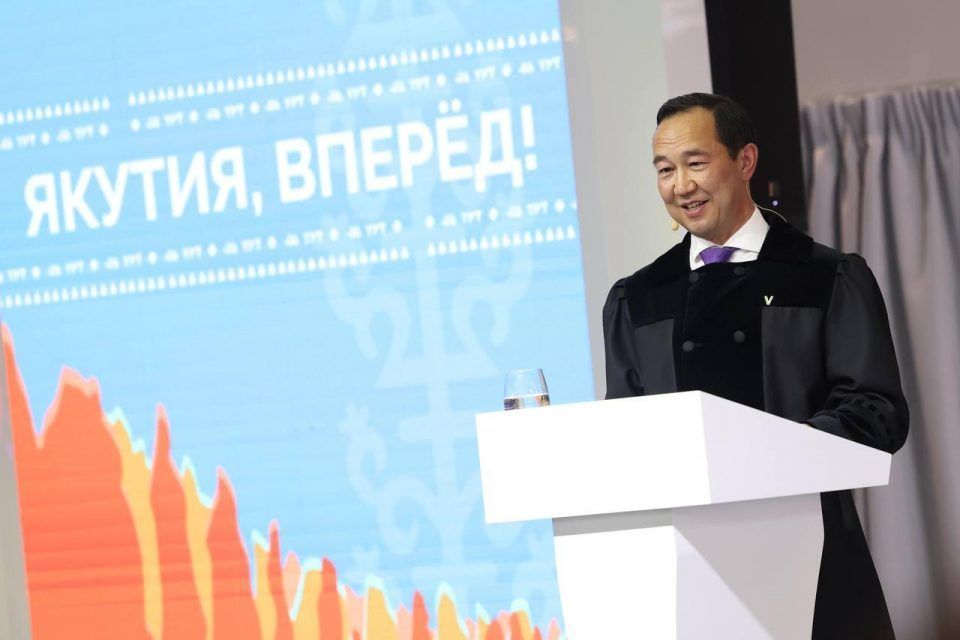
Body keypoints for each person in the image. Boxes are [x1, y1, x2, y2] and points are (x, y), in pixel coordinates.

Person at [603, 92, 909, 638]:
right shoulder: (639, 298)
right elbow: (626, 428)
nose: (681, 186)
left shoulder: (824, 277)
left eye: (696, 163)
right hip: (687, 568)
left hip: (813, 551)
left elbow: (876, 409)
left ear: (745, 161)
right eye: (665, 170)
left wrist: (779, 451)